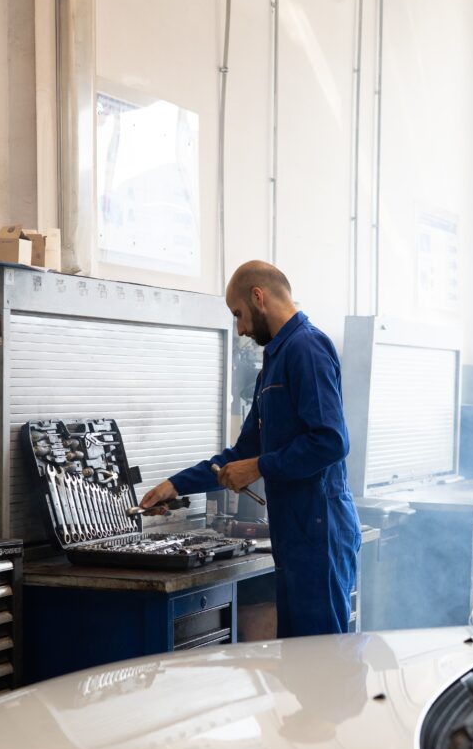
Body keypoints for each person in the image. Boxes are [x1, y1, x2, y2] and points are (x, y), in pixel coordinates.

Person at [140, 260, 362, 638]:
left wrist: (259, 466)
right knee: (298, 666)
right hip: (295, 537)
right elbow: (240, 454)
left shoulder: (306, 348)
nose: (240, 328)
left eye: (239, 314)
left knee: (321, 667)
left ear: (258, 296)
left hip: (319, 536)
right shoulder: (273, 364)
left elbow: (331, 441)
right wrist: (174, 485)